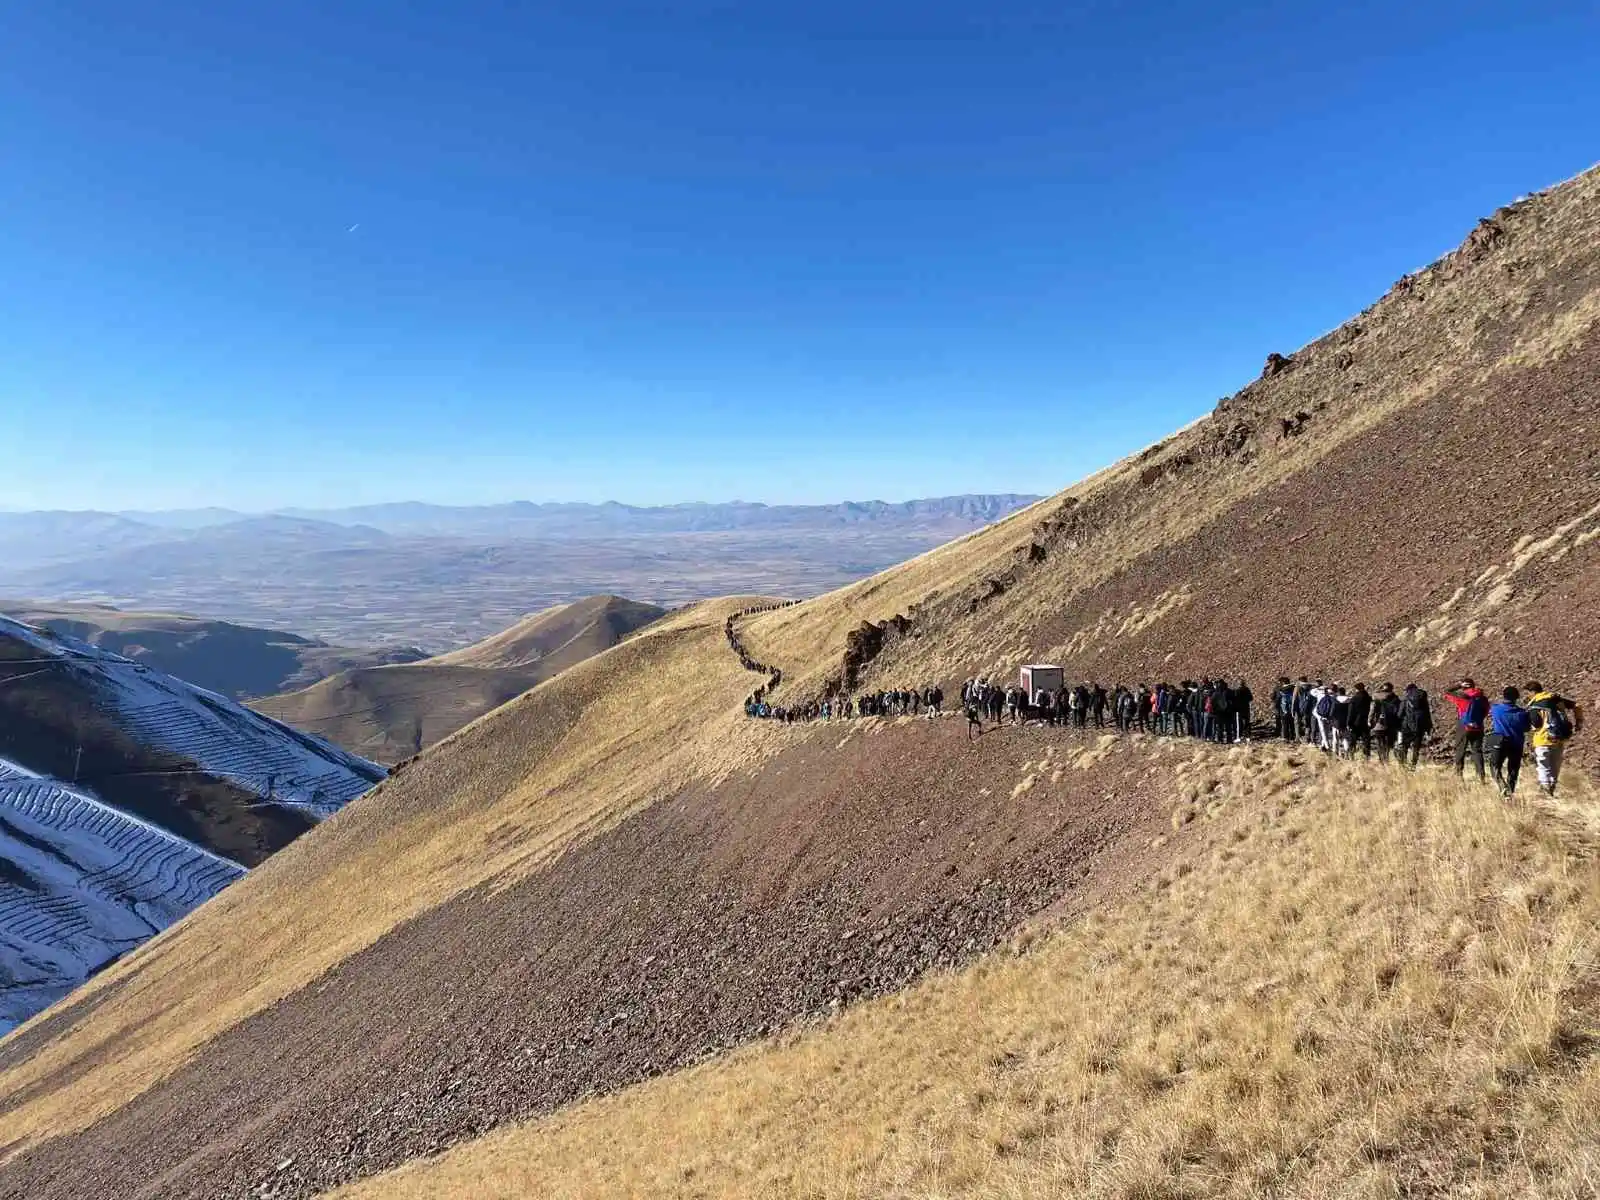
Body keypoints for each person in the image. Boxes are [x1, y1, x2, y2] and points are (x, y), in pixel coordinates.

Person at [1525, 682, 1584, 796]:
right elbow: (1577, 705)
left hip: (1542, 740)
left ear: (1532, 692)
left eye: (1528, 693)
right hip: (1559, 739)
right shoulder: (1556, 699)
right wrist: (1579, 722)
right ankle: (1552, 789)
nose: (1527, 696)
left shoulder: (1535, 704)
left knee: (1543, 767)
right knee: (1554, 767)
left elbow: (1536, 724)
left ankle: (1546, 793)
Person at [1486, 686, 1531, 797]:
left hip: (1500, 742)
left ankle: (1502, 787)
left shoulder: (1496, 709)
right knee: (1513, 769)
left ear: (1503, 696)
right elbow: (1527, 728)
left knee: (1494, 766)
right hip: (1517, 743)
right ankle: (1510, 792)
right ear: (1517, 698)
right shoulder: (1522, 713)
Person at [1445, 678, 1489, 782]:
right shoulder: (1482, 698)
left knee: (1460, 750)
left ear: (1464, 687)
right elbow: (1486, 710)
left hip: (1464, 726)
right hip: (1478, 727)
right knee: (1477, 751)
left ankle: (1459, 775)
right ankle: (1481, 776)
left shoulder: (1462, 697)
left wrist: (1459, 685)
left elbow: (1447, 692)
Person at [1398, 683, 1432, 768]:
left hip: (1407, 726)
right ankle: (1413, 765)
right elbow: (1427, 714)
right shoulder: (1423, 699)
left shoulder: (1405, 699)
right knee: (1416, 747)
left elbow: (1399, 714)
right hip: (1420, 726)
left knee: (1404, 745)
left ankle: (1403, 764)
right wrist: (1428, 728)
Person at [1371, 683, 1402, 764]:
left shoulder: (1376, 697)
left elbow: (1372, 711)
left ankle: (1382, 759)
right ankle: (1386, 758)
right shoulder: (1396, 699)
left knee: (1379, 742)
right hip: (1391, 725)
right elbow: (1399, 713)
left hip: (1378, 724)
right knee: (1388, 743)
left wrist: (1370, 721)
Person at [1346, 683, 1373, 759]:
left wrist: (1348, 723)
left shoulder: (1354, 699)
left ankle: (1351, 756)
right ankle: (1367, 757)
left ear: (1356, 689)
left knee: (1353, 741)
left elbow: (1350, 712)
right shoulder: (1368, 698)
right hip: (1366, 722)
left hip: (1355, 723)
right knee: (1366, 740)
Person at [1272, 677, 1295, 741]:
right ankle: (1292, 736)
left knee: (1284, 723)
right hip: (1292, 708)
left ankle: (1285, 737)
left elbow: (1275, 698)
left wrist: (1275, 705)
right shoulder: (1294, 688)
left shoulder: (1279, 689)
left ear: (1282, 682)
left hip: (1283, 708)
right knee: (1292, 723)